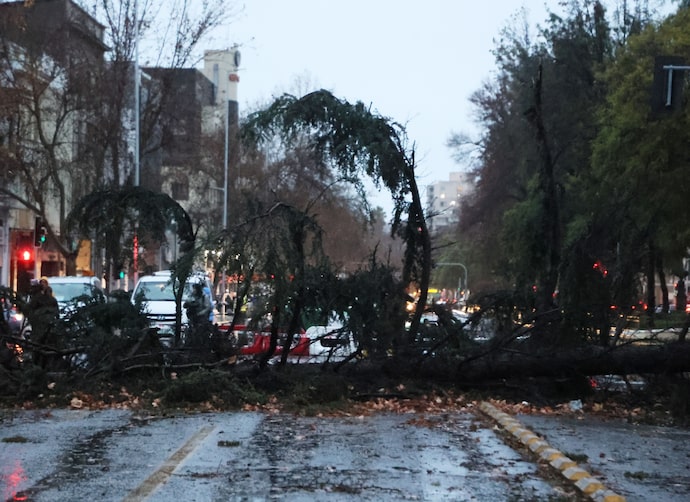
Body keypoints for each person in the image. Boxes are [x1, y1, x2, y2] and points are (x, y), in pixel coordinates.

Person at [26, 277, 59, 368]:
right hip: (46, 329)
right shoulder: (51, 300)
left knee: (38, 348)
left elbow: (30, 313)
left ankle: (38, 367)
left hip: (41, 329)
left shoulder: (36, 300)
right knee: (44, 348)